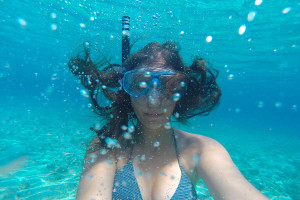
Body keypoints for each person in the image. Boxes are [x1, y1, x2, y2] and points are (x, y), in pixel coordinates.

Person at [68, 41, 269, 200]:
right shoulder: (108, 146)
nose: (153, 101)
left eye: (169, 85)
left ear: (181, 91)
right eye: (139, 84)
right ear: (126, 91)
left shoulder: (203, 150)